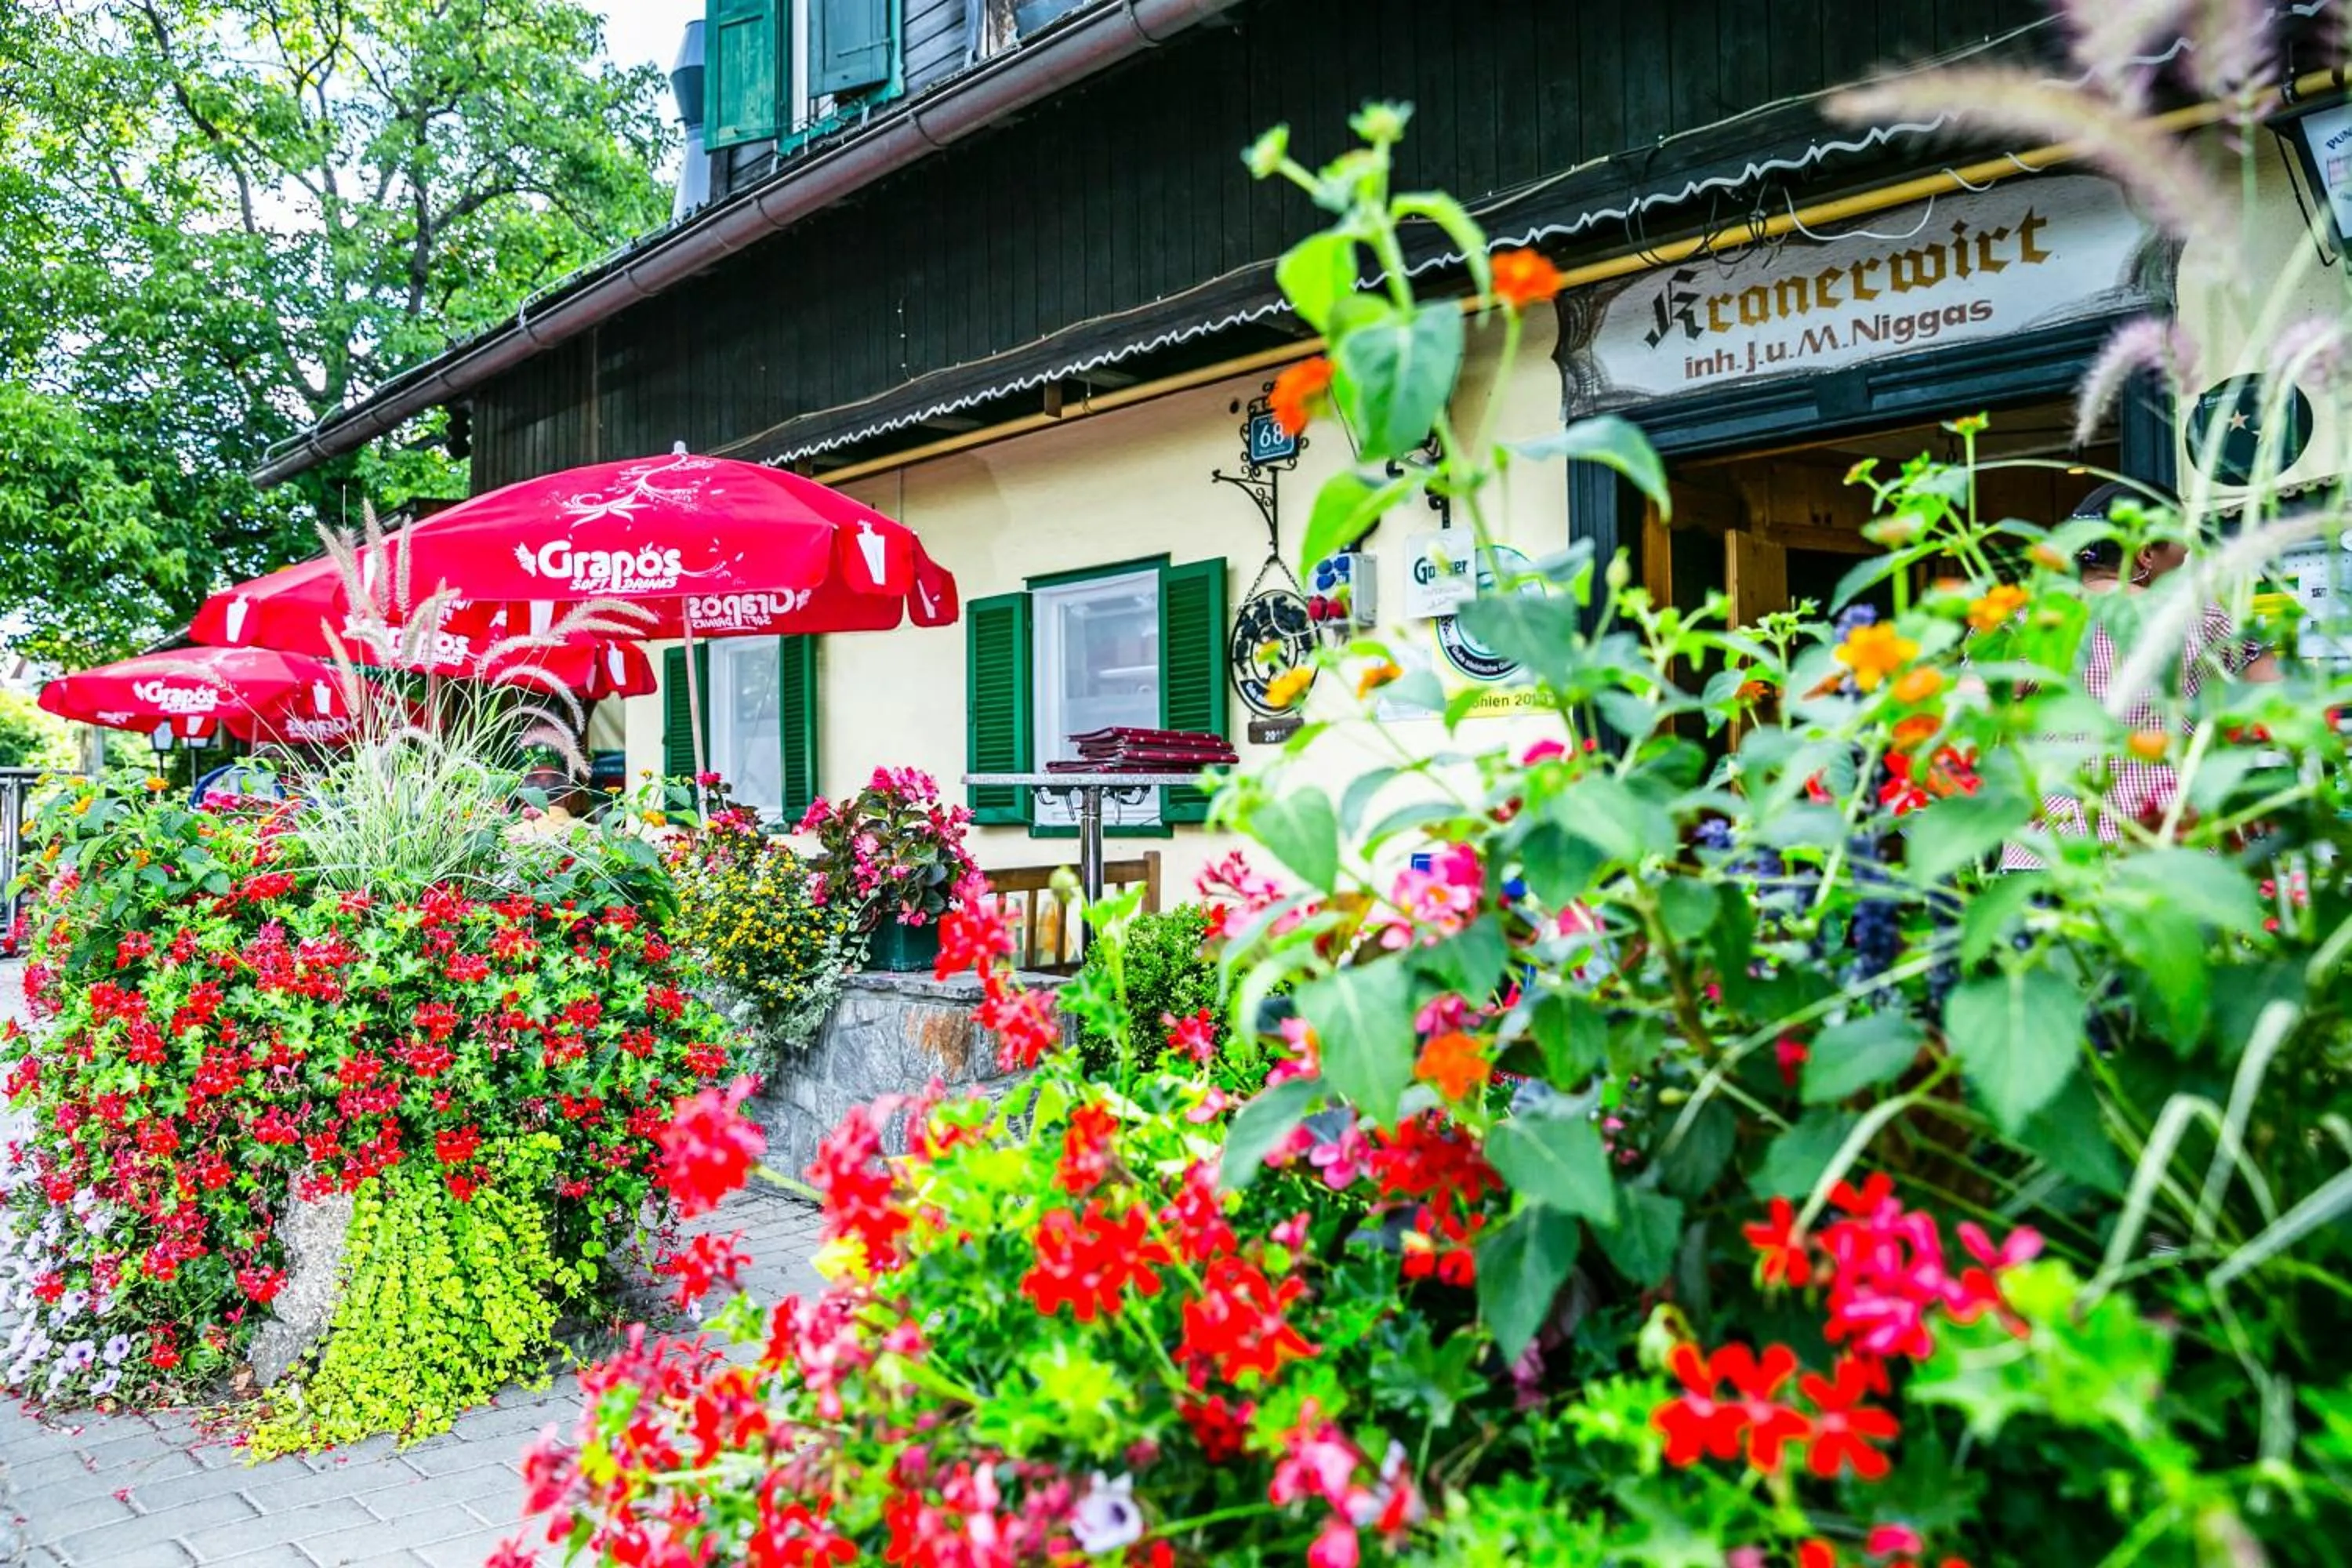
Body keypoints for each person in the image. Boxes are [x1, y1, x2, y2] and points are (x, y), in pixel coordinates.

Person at [2002, 481, 2280, 866]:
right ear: (2147, 554)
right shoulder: (2199, 615)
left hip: (2049, 855)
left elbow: (1976, 710)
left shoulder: (2026, 617)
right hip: (2167, 852)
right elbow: (2274, 703)